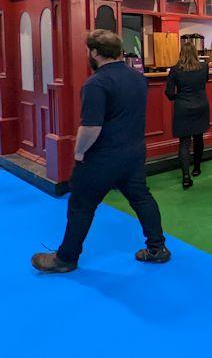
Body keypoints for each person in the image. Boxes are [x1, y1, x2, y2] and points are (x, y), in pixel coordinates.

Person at [32, 30, 168, 273]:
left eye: (88, 50)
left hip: (103, 158)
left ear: (94, 52)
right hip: (134, 153)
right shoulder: (137, 77)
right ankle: (158, 248)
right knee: (141, 198)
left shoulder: (96, 83)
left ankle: (66, 258)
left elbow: (91, 127)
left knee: (81, 205)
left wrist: (79, 152)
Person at [166, 42, 210, 189]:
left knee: (184, 143)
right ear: (196, 53)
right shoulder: (204, 67)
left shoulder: (175, 70)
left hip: (183, 107)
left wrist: (177, 98)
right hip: (201, 105)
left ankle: (186, 177)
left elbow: (169, 92)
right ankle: (197, 168)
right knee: (199, 137)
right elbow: (205, 82)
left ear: (181, 53)